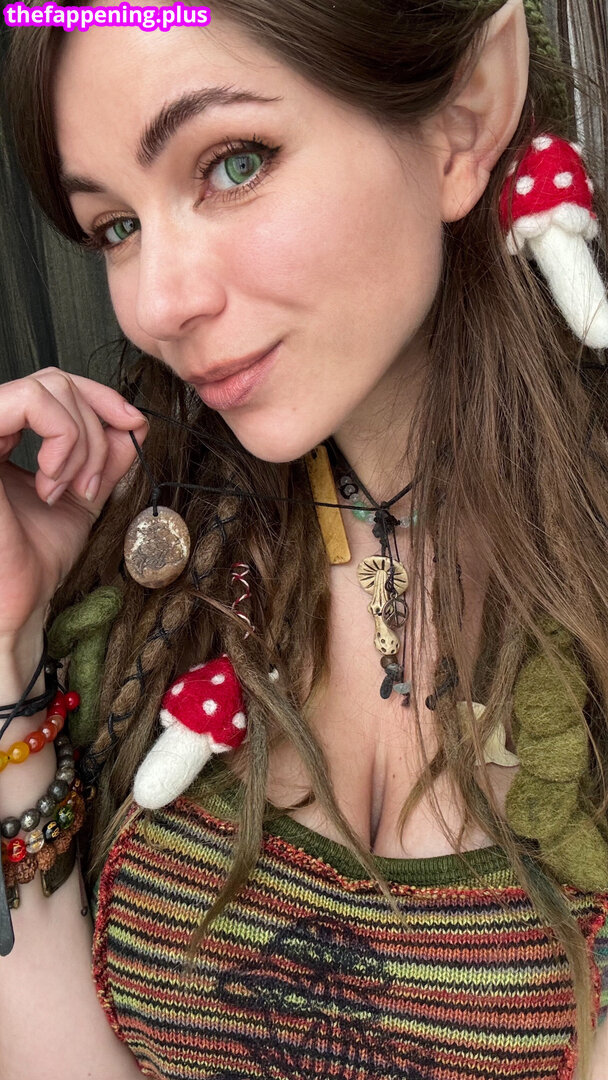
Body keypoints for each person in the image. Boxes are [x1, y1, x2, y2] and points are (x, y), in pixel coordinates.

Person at [1, 0, 608, 1077]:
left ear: (465, 118)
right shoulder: (161, 564)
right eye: (116, 228)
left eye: (232, 164)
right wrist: (4, 647)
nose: (157, 305)